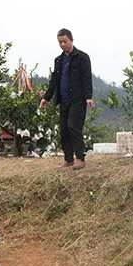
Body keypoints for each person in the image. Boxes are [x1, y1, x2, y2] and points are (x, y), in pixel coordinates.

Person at [40, 28, 94, 169]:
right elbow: (54, 81)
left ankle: (80, 158)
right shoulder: (58, 60)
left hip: (78, 99)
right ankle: (68, 159)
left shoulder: (82, 57)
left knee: (73, 127)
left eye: (65, 41)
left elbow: (86, 78)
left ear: (72, 40)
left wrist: (88, 97)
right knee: (64, 130)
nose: (63, 44)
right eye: (60, 42)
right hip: (63, 100)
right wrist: (47, 98)